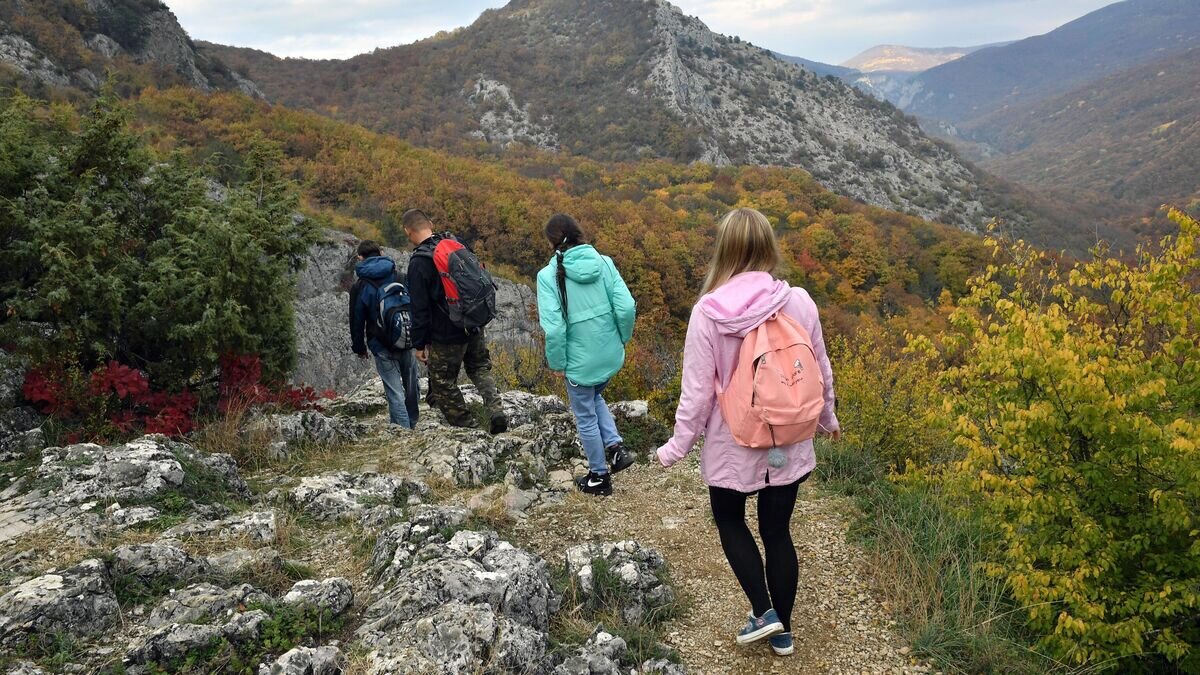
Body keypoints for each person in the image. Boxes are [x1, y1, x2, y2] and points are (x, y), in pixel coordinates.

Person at [655, 208, 840, 656]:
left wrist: (676, 447)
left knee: (730, 519)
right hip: (790, 435)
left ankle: (763, 610)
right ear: (768, 248)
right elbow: (819, 368)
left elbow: (697, 392)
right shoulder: (799, 300)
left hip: (734, 441)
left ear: (725, 250)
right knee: (778, 532)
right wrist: (827, 418)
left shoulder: (709, 312)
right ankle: (783, 634)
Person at [536, 214, 637, 497]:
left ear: (552, 243)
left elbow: (554, 329)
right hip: (609, 353)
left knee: (585, 415)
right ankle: (616, 449)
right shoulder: (604, 263)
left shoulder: (547, 277)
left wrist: (558, 364)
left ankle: (599, 477)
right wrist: (622, 337)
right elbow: (627, 307)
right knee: (595, 397)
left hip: (580, 362)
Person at [401, 208, 508, 434]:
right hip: (473, 322)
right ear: (430, 223)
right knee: (479, 367)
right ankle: (495, 409)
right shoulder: (455, 243)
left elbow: (419, 309)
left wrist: (419, 344)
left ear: (407, 231)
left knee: (442, 383)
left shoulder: (419, 262)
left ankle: (470, 428)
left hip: (447, 333)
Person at [350, 240, 420, 428]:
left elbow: (356, 320)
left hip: (380, 344)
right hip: (406, 337)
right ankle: (412, 422)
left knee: (394, 390)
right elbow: (415, 306)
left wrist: (359, 347)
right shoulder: (399, 276)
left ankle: (403, 432)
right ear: (381, 253)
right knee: (412, 383)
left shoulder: (360, 286)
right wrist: (421, 338)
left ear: (360, 258)